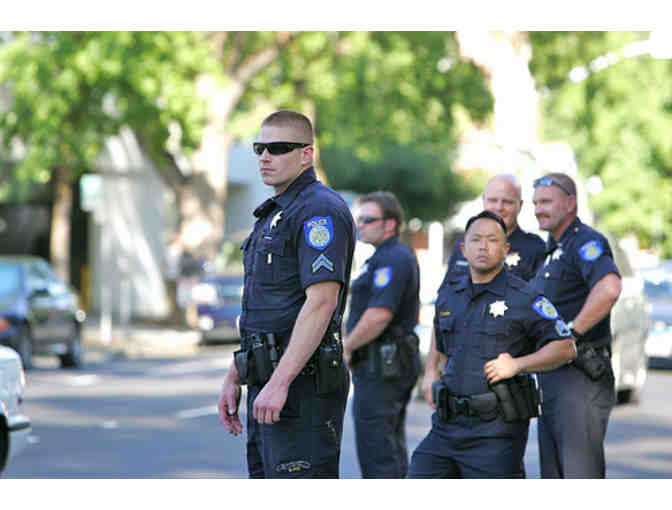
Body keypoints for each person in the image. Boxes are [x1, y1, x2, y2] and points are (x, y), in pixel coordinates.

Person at [217, 110, 356, 478]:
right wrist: (236, 372)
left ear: (306, 154)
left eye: (278, 148)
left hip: (301, 386)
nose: (265, 156)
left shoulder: (318, 210)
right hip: (268, 379)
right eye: (259, 148)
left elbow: (321, 302)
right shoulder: (275, 213)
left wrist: (280, 383)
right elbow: (269, 307)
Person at [407, 210, 576, 478]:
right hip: (445, 427)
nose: (483, 246)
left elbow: (566, 348)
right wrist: (430, 372)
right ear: (463, 248)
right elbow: (439, 335)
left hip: (495, 434)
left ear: (505, 248)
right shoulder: (450, 294)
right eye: (476, 240)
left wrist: (518, 365)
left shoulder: (525, 297)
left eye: (492, 240)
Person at [531, 172, 622, 478]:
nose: (537, 209)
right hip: (554, 378)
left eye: (545, 202)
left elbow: (609, 288)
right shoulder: (552, 249)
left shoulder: (585, 241)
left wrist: (571, 334)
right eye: (535, 203)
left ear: (570, 203)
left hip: (579, 379)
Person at [343, 191, 422, 478]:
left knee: (378, 452)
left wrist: (347, 347)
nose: (361, 225)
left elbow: (379, 315)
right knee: (386, 447)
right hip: (382, 363)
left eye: (368, 219)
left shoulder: (393, 258)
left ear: (390, 224)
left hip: (384, 364)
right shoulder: (382, 257)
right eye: (359, 220)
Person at [445, 173, 546, 283]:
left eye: (507, 202)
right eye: (493, 200)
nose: (499, 208)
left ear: (520, 205)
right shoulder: (465, 243)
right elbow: (445, 294)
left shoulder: (535, 249)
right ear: (484, 201)